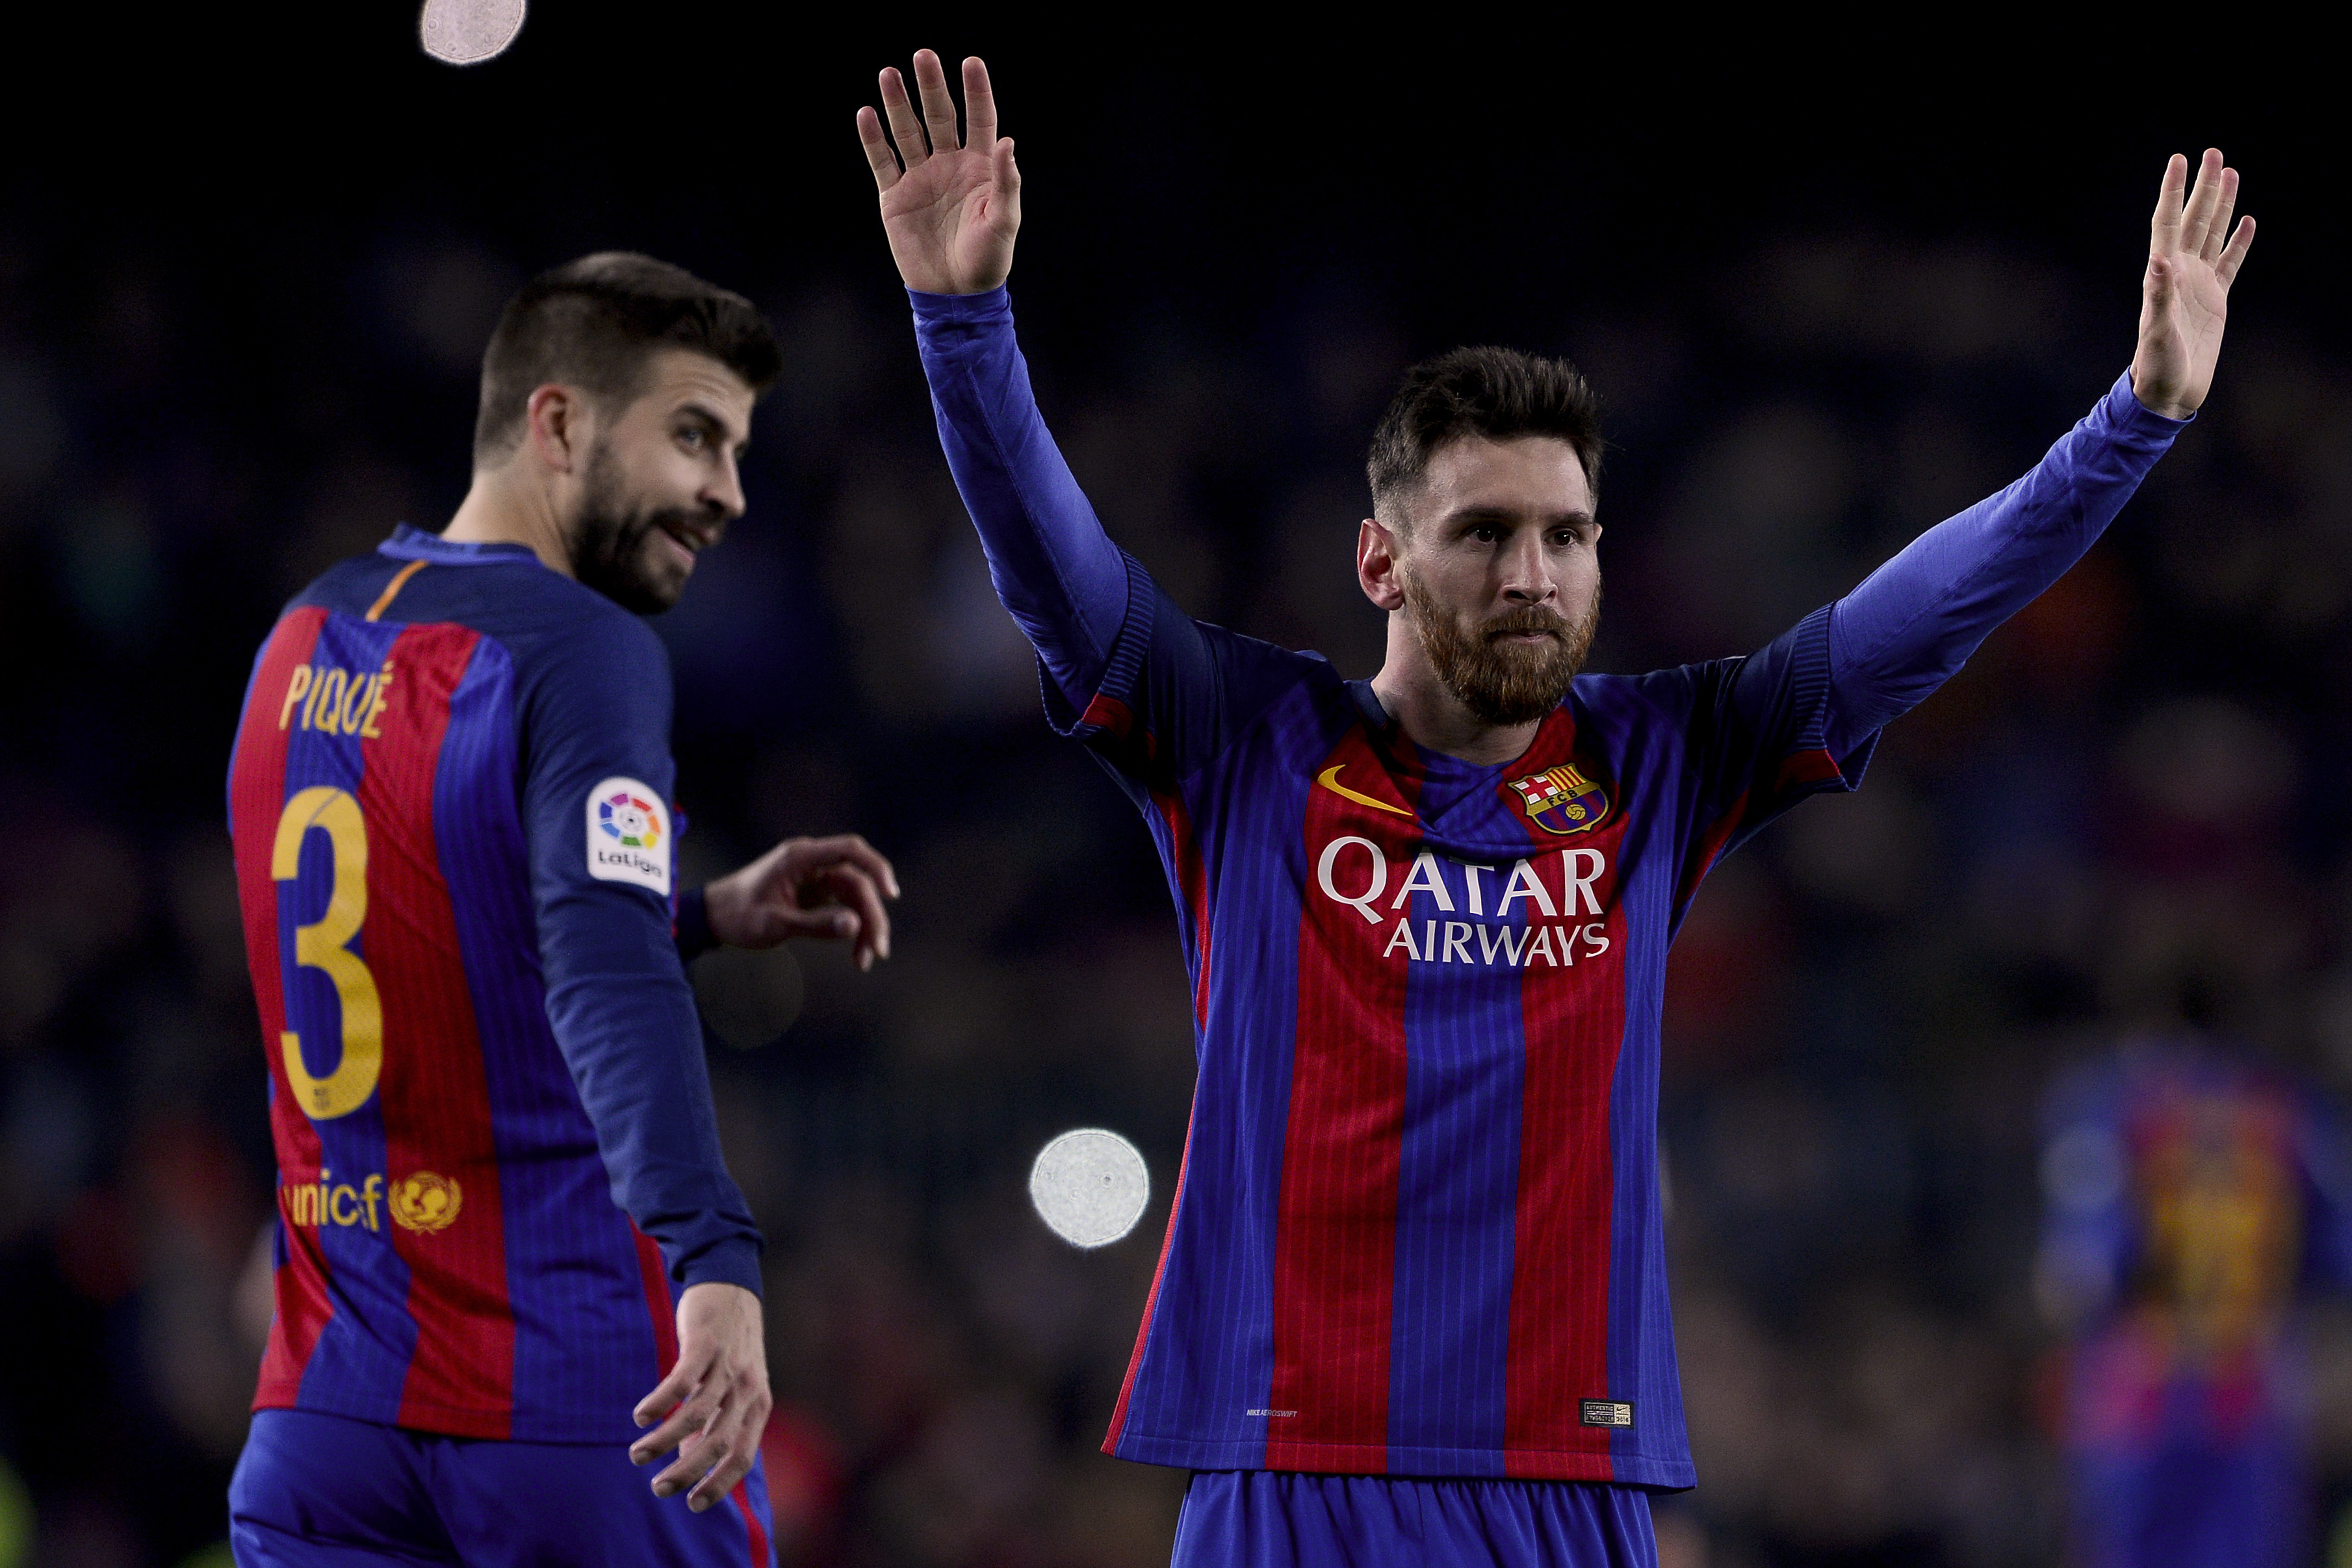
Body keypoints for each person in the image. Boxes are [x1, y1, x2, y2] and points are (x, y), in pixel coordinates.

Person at [855, 49, 2255, 1567]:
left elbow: (1916, 614)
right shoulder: (1244, 738)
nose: (1534, 571)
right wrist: (963, 321)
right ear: (1382, 563)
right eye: (1487, 532)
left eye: (1568, 534)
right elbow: (1053, 571)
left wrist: (2137, 418)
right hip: (1292, 1466)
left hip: (1565, 1483)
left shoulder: (1662, 759)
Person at [222, 253, 898, 1567]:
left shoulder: (305, 633)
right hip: (574, 1414)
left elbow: (412, 931)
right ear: (559, 422)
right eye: (693, 434)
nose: (726, 492)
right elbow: (601, 974)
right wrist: (713, 1253)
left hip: (321, 1424)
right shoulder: (578, 650)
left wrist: (692, 914)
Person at [2038, 1037, 2352, 1568]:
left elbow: (2079, 1273)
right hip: (2252, 1395)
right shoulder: (2291, 1109)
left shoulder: (2108, 1101)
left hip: (2141, 1399)